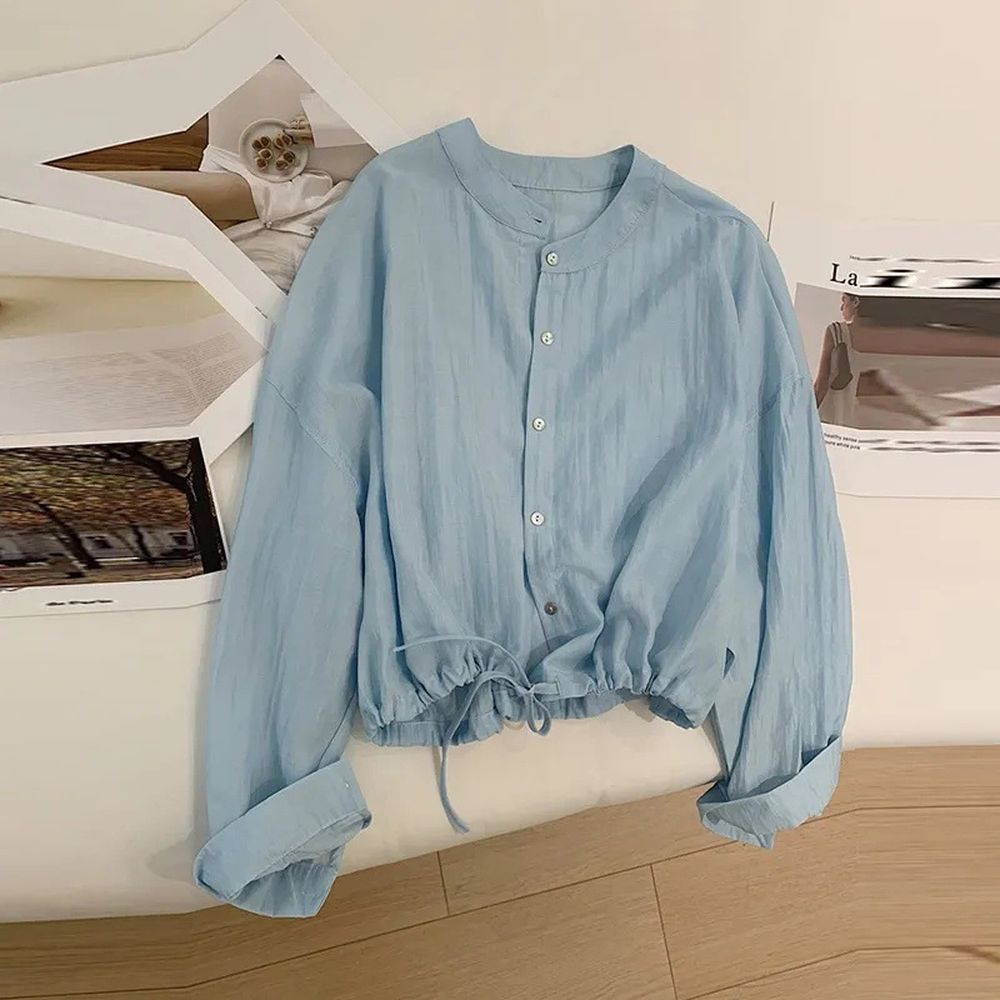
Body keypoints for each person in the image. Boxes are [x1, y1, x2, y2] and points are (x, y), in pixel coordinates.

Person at [813, 293, 942, 427]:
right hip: (864, 421)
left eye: (844, 301)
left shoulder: (836, 331)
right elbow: (885, 391)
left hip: (833, 418)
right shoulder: (888, 337)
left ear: (855, 302)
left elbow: (821, 385)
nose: (841, 307)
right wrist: (924, 417)